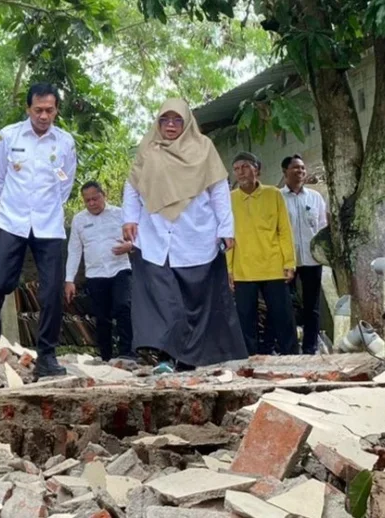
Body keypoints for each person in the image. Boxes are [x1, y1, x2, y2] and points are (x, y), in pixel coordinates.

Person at [122, 98, 247, 372]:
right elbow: (132, 186)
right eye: (165, 120)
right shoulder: (149, 149)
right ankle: (165, 356)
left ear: (187, 122)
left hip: (196, 235)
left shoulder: (204, 148)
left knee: (197, 303)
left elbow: (219, 190)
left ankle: (190, 359)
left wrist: (226, 228)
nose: (170, 125)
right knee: (162, 301)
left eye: (177, 120)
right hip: (156, 236)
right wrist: (129, 218)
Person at [0, 83, 77, 378]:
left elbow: (66, 183)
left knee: (52, 292)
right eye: (38, 110)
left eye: (49, 110)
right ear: (28, 108)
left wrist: (46, 207)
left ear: (56, 110)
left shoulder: (65, 142)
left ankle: (47, 356)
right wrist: (16, 206)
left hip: (49, 225)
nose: (44, 116)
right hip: (13, 221)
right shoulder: (8, 136)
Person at [227, 151, 298, 356]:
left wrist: (289, 262)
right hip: (243, 269)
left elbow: (284, 230)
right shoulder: (229, 199)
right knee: (245, 320)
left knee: (283, 317)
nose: (241, 172)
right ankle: (248, 361)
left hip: (273, 266)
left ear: (256, 169)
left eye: (245, 167)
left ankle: (293, 358)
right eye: (237, 169)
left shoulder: (273, 194)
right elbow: (227, 236)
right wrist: (229, 269)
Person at [65, 181, 133, 361]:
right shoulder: (79, 220)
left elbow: (137, 237)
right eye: (87, 200)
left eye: (95, 198)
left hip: (120, 268)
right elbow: (74, 250)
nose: (92, 203)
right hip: (95, 273)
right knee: (101, 316)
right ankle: (106, 357)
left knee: (123, 307)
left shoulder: (120, 214)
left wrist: (130, 246)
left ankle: (127, 353)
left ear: (104, 195)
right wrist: (69, 279)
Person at [280, 154, 327, 354]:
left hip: (311, 259)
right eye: (295, 168)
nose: (300, 171)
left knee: (312, 306)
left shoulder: (315, 197)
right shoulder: (278, 198)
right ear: (285, 172)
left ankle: (310, 347)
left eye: (302, 168)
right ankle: (289, 348)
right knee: (286, 305)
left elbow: (322, 226)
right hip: (286, 261)